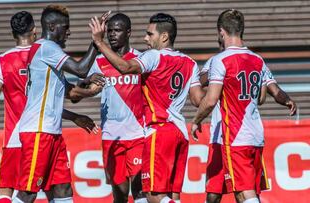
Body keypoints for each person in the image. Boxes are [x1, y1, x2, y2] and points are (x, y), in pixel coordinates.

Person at [90, 12, 204, 203]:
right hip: (180, 133)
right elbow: (198, 99)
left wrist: (99, 43)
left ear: (164, 37)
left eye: (150, 34)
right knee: (172, 195)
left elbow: (126, 68)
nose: (145, 38)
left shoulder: (153, 57)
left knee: (151, 195)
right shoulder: (190, 63)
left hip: (158, 131)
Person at [13, 5, 109, 203]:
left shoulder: (46, 53)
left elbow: (71, 92)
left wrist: (77, 113)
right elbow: (81, 69)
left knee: (63, 189)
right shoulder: (47, 48)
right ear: (51, 26)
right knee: (28, 193)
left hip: (52, 133)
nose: (69, 32)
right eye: (65, 27)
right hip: (38, 132)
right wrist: (97, 42)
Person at [191, 9, 273, 203]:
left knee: (243, 192)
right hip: (251, 135)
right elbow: (261, 98)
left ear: (221, 32)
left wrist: (196, 120)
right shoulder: (257, 60)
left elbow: (207, 99)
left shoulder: (218, 61)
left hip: (232, 135)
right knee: (222, 192)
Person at [200, 56, 297, 203]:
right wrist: (217, 72)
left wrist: (286, 99)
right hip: (220, 137)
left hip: (238, 136)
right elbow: (199, 83)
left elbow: (265, 95)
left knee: (246, 191)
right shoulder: (215, 61)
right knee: (214, 193)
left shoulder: (252, 62)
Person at [87, 13, 146, 203]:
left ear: (128, 32)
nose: (112, 34)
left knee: (140, 191)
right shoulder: (98, 62)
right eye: (109, 30)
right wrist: (86, 84)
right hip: (111, 137)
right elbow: (87, 90)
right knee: (119, 195)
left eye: (117, 30)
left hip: (138, 135)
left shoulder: (141, 59)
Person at [0, 11, 37, 203]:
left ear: (13, 34)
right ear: (34, 30)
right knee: (57, 189)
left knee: (4, 189)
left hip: (14, 137)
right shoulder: (44, 57)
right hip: (42, 134)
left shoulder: (1, 61)